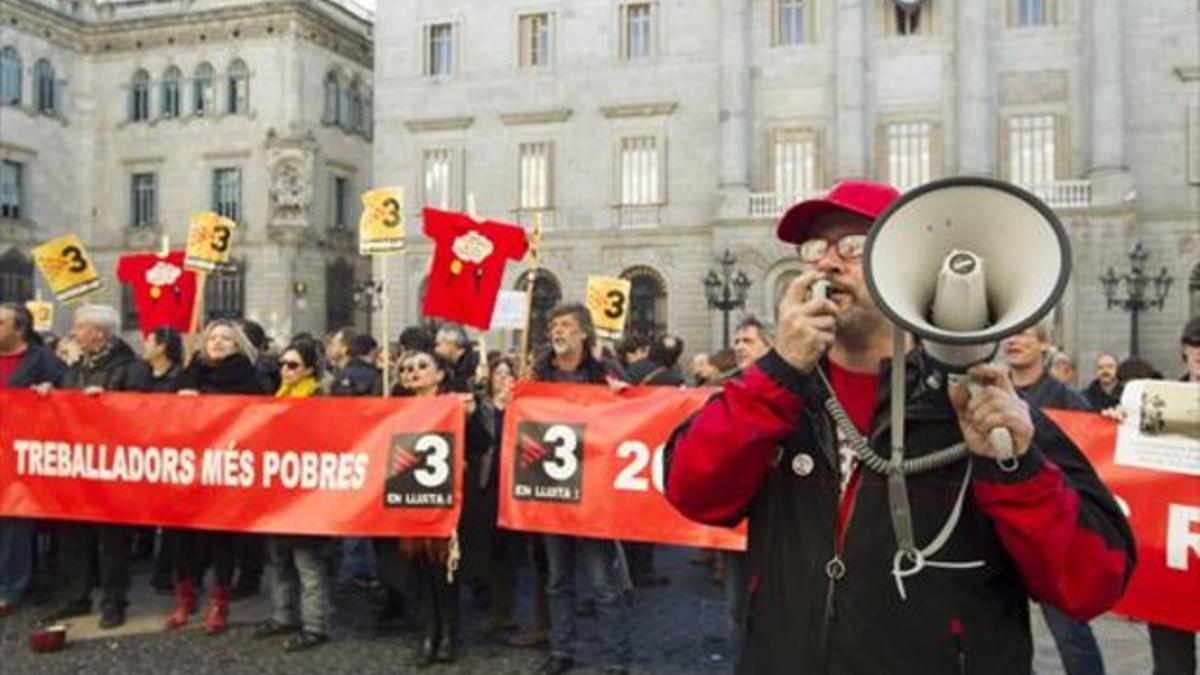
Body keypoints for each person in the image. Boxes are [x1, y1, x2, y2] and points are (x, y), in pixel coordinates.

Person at [664, 180, 1135, 674]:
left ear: (909, 266)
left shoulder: (975, 404)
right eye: (814, 249)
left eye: (853, 247)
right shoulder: (778, 393)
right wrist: (778, 373)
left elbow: (1090, 584)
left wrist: (1014, 468)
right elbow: (691, 491)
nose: (826, 262)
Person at [530, 303, 632, 675]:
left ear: (584, 333)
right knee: (557, 580)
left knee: (603, 583)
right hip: (552, 491)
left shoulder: (604, 372)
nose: (558, 331)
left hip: (594, 495)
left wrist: (622, 394)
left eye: (567, 325)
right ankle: (562, 651)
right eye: (554, 324)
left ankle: (614, 659)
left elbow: (632, 417)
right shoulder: (538, 374)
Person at [1000, 325, 1107, 675]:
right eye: (1008, 335)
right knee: (1002, 630)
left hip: (1050, 529)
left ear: (1044, 346)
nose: (1013, 341)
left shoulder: (1065, 397)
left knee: (1070, 632)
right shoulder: (994, 392)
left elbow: (1095, 449)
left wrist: (1112, 422)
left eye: (1024, 335)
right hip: (1001, 524)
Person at [38, 304, 148, 629]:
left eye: (79, 328)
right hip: (79, 467)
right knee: (73, 536)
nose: (73, 333)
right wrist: (48, 394)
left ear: (98, 333)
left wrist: (111, 400)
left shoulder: (131, 368)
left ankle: (114, 601)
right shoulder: (75, 368)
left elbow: (144, 412)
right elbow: (65, 404)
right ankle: (77, 596)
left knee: (113, 540)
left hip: (113, 469)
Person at [167, 319, 266, 635]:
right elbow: (157, 411)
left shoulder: (248, 378)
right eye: (213, 338)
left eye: (227, 338)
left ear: (238, 345)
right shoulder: (188, 373)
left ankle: (219, 604)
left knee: (222, 539)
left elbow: (260, 417)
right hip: (189, 469)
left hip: (226, 468)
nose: (219, 342)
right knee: (182, 538)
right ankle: (185, 599)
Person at [254, 341, 334, 652]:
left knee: (307, 563)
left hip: (306, 494)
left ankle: (315, 625)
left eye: (293, 365)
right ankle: (283, 615)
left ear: (309, 370)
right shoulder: (279, 396)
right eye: (283, 364)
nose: (285, 370)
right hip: (279, 491)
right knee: (280, 559)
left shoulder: (319, 399)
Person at [0, 303, 64, 615]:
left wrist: (48, 392)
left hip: (21, 455)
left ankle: (12, 587)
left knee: (14, 522)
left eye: (0, 323)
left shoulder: (43, 360)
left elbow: (65, 398)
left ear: (19, 329)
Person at [1145, 317, 1198, 675]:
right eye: (1195, 346)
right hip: (1173, 548)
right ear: (1185, 351)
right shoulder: (1162, 401)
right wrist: (1118, 421)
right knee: (1171, 661)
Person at [328, 332, 382, 592]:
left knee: (352, 512)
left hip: (347, 451)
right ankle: (365, 568)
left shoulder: (341, 378)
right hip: (370, 452)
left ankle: (353, 568)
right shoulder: (377, 378)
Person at [141, 327, 186, 594]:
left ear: (161, 346)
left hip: (171, 455)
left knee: (171, 521)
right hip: (144, 452)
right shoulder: (141, 374)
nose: (145, 345)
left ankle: (167, 573)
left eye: (149, 340)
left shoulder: (180, 377)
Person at [433, 323, 480, 393]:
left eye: (438, 344)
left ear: (451, 343)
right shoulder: (445, 365)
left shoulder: (475, 363)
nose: (435, 350)